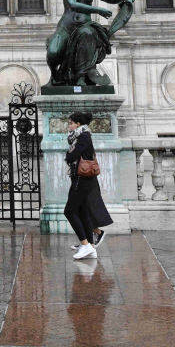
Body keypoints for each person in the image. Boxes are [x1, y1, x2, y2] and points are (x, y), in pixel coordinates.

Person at [64, 111, 112, 259]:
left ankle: (85, 244)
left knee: (70, 211)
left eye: (71, 123)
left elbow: (71, 156)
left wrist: (69, 155)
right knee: (83, 211)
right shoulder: (80, 136)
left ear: (78, 124)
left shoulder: (83, 136)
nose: (69, 126)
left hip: (82, 179)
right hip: (81, 179)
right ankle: (90, 246)